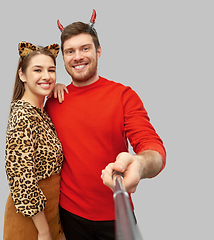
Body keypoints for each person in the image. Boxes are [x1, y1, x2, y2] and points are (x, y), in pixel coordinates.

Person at [44, 10, 166, 239]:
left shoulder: (123, 96)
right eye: (70, 51)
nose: (77, 57)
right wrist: (51, 87)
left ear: (98, 52)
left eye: (85, 48)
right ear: (63, 58)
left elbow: (152, 147)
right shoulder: (52, 101)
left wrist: (139, 165)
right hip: (68, 215)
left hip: (116, 216)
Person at [3, 41, 66, 240]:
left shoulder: (40, 111)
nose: (46, 76)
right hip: (31, 219)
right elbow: (21, 179)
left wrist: (60, 89)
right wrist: (43, 230)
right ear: (22, 75)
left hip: (51, 212)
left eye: (51, 70)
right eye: (37, 70)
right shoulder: (23, 116)